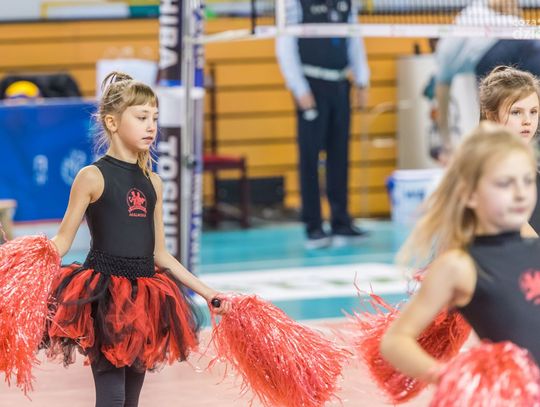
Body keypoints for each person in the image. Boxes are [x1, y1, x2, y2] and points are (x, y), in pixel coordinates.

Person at [43, 71, 231, 407]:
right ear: (112, 122)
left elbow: (160, 254)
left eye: (154, 119)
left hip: (144, 299)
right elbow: (63, 240)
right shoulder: (92, 176)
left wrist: (209, 292)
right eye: (142, 117)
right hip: (105, 297)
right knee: (112, 397)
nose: (151, 127)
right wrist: (29, 259)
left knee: (131, 400)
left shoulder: (152, 182)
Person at [380, 122, 540, 383]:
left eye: (527, 181)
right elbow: (396, 340)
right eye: (505, 183)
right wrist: (450, 379)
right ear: (469, 194)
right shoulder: (460, 266)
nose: (521, 193)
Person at [275, 0, 370, 249]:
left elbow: (354, 39)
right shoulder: (296, 4)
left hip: (340, 86)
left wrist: (362, 80)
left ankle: (341, 221)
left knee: (339, 155)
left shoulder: (346, 4)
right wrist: (299, 88)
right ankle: (314, 226)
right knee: (310, 158)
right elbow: (285, 44)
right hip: (311, 85)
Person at [432, 0, 540, 157]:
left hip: (497, 52)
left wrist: (445, 142)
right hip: (529, 40)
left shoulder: (443, 53)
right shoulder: (472, 14)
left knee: (493, 113)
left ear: (433, 43)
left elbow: (442, 100)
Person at [477, 66, 540, 234]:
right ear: (491, 116)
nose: (527, 121)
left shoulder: (530, 166)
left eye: (533, 112)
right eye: (516, 112)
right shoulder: (482, 169)